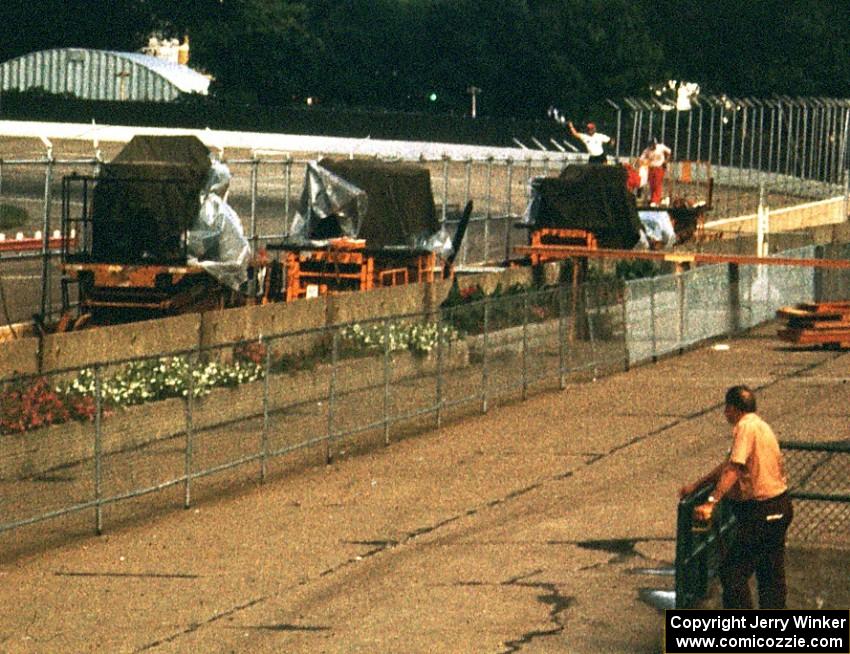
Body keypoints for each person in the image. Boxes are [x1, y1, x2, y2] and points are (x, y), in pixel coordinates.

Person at [679, 385, 793, 609]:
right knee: (770, 573)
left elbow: (734, 468)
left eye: (726, 409)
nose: (725, 414)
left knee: (733, 573)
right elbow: (728, 465)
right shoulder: (761, 426)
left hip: (761, 510)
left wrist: (711, 501)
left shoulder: (744, 427)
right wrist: (697, 485)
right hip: (781, 505)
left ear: (734, 408)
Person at [639, 138, 672, 206]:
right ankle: (654, 199)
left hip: (659, 168)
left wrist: (666, 161)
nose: (652, 147)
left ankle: (655, 200)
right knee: (652, 185)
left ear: (655, 144)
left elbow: (669, 151)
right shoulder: (647, 150)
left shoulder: (661, 147)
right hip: (651, 168)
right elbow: (641, 158)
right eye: (650, 145)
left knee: (657, 184)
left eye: (653, 145)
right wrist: (645, 162)